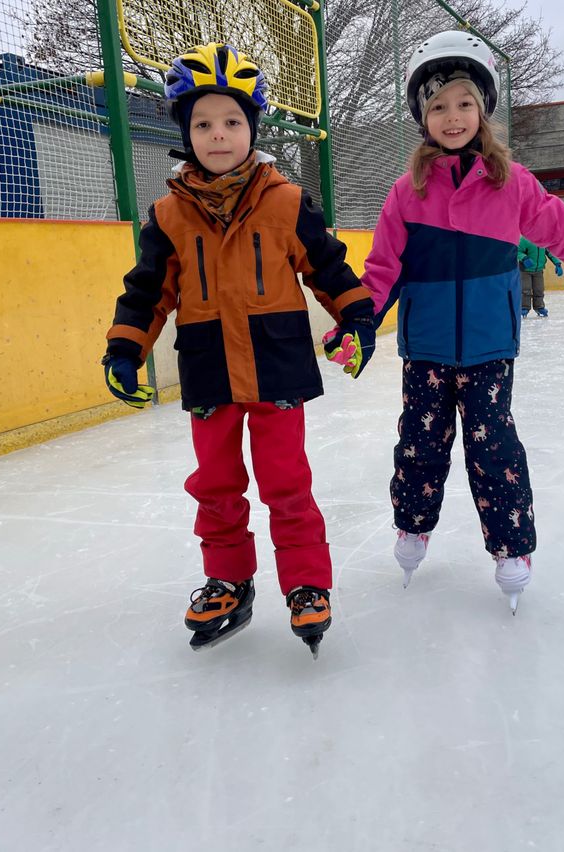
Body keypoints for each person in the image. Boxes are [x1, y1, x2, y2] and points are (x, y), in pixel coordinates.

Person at [102, 43, 375, 657]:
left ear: (252, 128)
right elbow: (147, 292)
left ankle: (306, 583)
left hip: (277, 367)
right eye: (202, 123)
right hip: (208, 371)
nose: (217, 134)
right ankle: (229, 577)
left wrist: (356, 319)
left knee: (287, 483)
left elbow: (328, 269)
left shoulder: (286, 202)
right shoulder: (168, 215)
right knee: (216, 485)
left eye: (231, 121)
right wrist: (124, 349)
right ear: (185, 132)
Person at [361, 30, 564, 612]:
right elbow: (381, 270)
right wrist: (355, 325)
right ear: (422, 116)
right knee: (419, 445)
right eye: (437, 105)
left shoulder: (511, 185)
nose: (452, 115)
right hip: (427, 349)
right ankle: (412, 528)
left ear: (483, 109)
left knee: (494, 450)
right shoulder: (405, 193)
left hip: (490, 347)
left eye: (464, 102)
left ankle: (511, 549)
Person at [518, 235, 563, 318]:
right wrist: (524, 258)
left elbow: (550, 252)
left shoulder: (544, 239)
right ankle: (524, 308)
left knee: (539, 289)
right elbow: (517, 251)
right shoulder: (525, 239)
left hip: (538, 270)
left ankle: (539, 307)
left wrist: (557, 263)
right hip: (525, 270)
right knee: (525, 289)